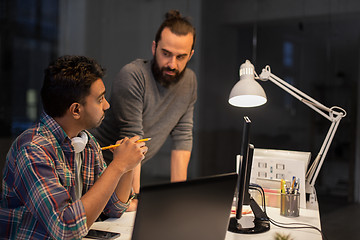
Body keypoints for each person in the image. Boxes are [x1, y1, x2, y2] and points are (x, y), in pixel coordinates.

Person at [0, 55, 147, 239]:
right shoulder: (33, 150)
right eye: (100, 99)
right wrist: (117, 166)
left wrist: (127, 168)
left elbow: (114, 208)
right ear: (76, 110)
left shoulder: (87, 143)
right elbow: (66, 228)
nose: (107, 105)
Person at [90, 9, 197, 206]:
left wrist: (178, 198)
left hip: (127, 174)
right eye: (166, 54)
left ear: (190, 55)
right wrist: (134, 197)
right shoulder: (133, 76)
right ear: (154, 47)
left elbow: (183, 137)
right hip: (96, 173)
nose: (172, 64)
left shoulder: (189, 82)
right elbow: (133, 139)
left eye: (181, 57)